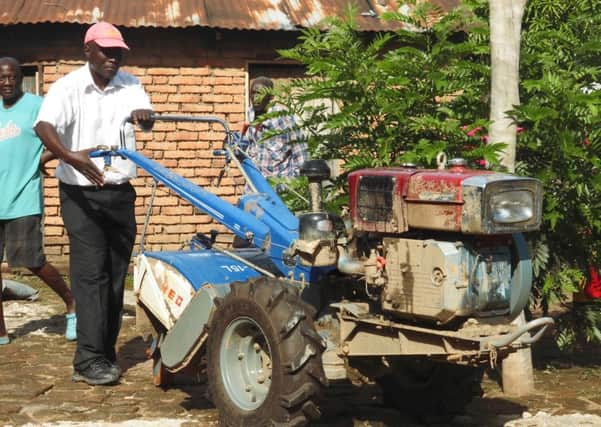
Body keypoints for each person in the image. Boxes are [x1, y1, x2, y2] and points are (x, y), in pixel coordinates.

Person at [35, 22, 154, 385]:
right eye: (106, 51)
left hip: (119, 193)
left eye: (118, 52)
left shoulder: (130, 84)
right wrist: (70, 156)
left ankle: (104, 352)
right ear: (88, 51)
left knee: (117, 277)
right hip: (80, 195)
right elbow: (44, 127)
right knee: (90, 275)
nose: (113, 58)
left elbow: (143, 116)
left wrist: (144, 119)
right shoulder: (68, 87)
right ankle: (86, 360)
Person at [0, 57, 76, 346]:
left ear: (21, 78)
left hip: (22, 198)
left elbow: (62, 138)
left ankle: (72, 303)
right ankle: (2, 332)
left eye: (12, 77)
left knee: (31, 260)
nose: (7, 83)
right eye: (2, 78)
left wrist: (41, 158)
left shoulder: (36, 106)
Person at [244, 76, 309, 178]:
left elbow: (300, 152)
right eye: (253, 93)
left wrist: (294, 184)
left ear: (271, 97)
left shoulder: (282, 118)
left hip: (277, 188)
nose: (255, 97)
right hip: (254, 186)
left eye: (260, 93)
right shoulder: (251, 113)